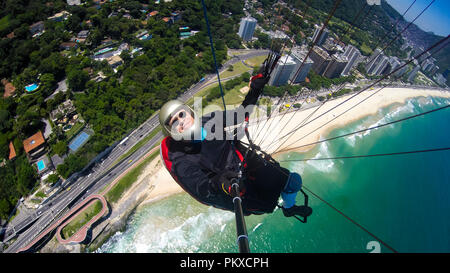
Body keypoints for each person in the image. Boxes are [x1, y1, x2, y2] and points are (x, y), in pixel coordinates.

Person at [159, 70, 312, 218]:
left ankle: (288, 207)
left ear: (190, 113)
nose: (181, 121)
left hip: (243, 162)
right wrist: (220, 184)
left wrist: (255, 90)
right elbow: (201, 187)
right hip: (229, 183)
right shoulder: (180, 159)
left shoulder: (209, 121)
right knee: (267, 204)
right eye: (174, 122)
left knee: (293, 181)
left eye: (181, 115)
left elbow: (240, 115)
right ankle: (284, 207)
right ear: (170, 131)